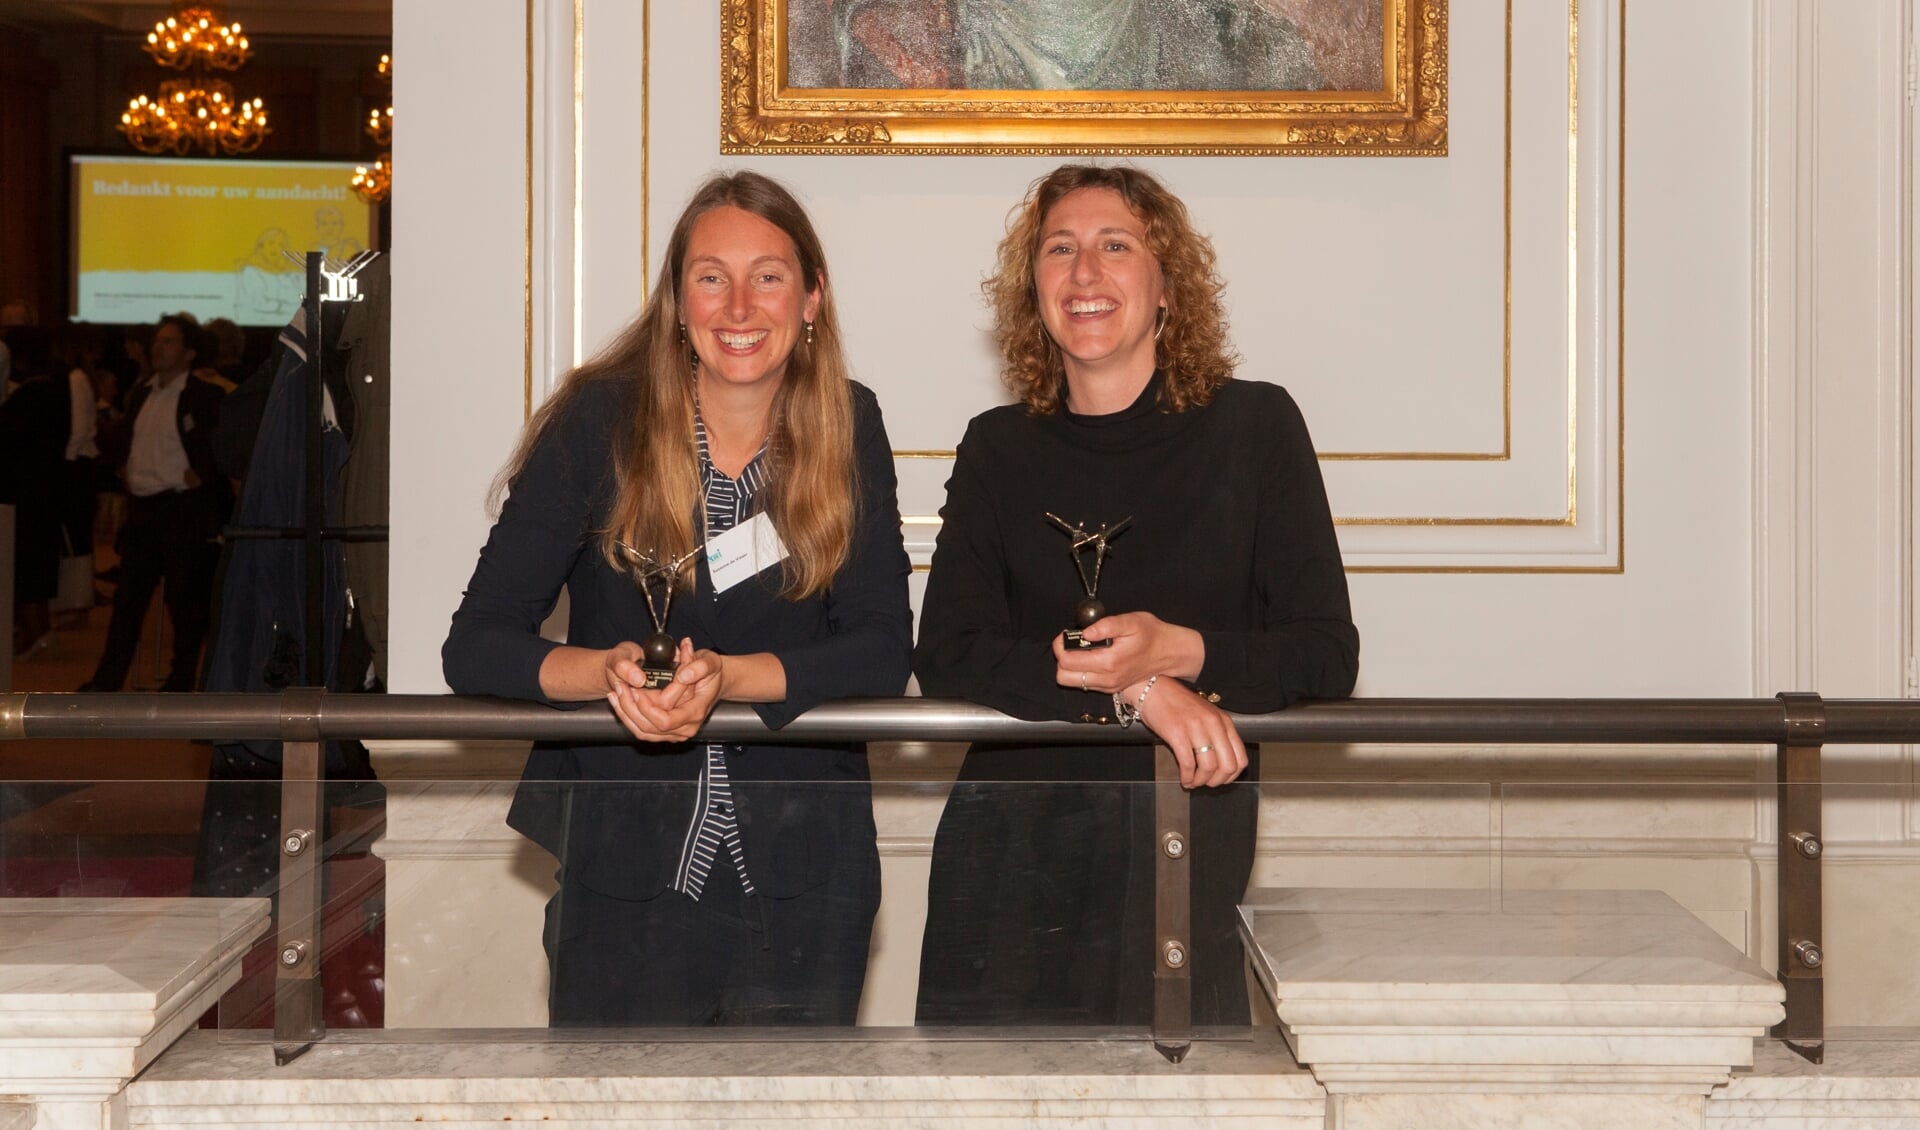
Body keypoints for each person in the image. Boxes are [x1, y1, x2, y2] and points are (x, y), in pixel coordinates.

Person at [444, 171, 913, 1027]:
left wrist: (732, 679)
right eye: (710, 277)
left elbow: (882, 647)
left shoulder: (851, 421)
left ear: (812, 298)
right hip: (621, 879)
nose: (739, 305)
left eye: (768, 275)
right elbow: (474, 646)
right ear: (677, 299)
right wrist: (605, 673)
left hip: (809, 879)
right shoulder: (599, 422)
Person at [912, 164, 1359, 1027]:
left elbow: (1324, 653)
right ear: (1033, 290)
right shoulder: (998, 446)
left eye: (1116, 247)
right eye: (1060, 250)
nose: (1085, 274)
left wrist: (1179, 651)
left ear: (1165, 289)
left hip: (1177, 846)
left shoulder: (1256, 428)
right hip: (1004, 860)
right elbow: (948, 655)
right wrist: (1142, 688)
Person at [80, 315, 234, 692]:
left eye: (168, 342)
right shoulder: (141, 393)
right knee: (127, 602)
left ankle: (181, 679)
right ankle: (107, 679)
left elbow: (225, 445)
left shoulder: (204, 395)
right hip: (144, 511)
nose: (158, 347)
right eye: (158, 341)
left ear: (189, 352)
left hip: (184, 510)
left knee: (185, 603)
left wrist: (206, 472)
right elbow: (128, 441)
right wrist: (123, 468)